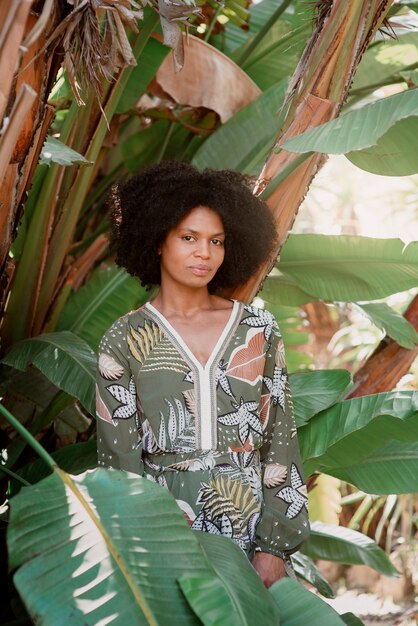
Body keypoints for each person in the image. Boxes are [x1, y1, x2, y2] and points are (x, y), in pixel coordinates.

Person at [96, 161, 309, 587]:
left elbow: (279, 440)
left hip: (249, 531)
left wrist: (273, 546)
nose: (204, 253)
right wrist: (142, 548)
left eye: (216, 241)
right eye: (188, 237)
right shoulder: (123, 340)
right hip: (165, 536)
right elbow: (118, 464)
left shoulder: (257, 330)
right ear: (158, 240)